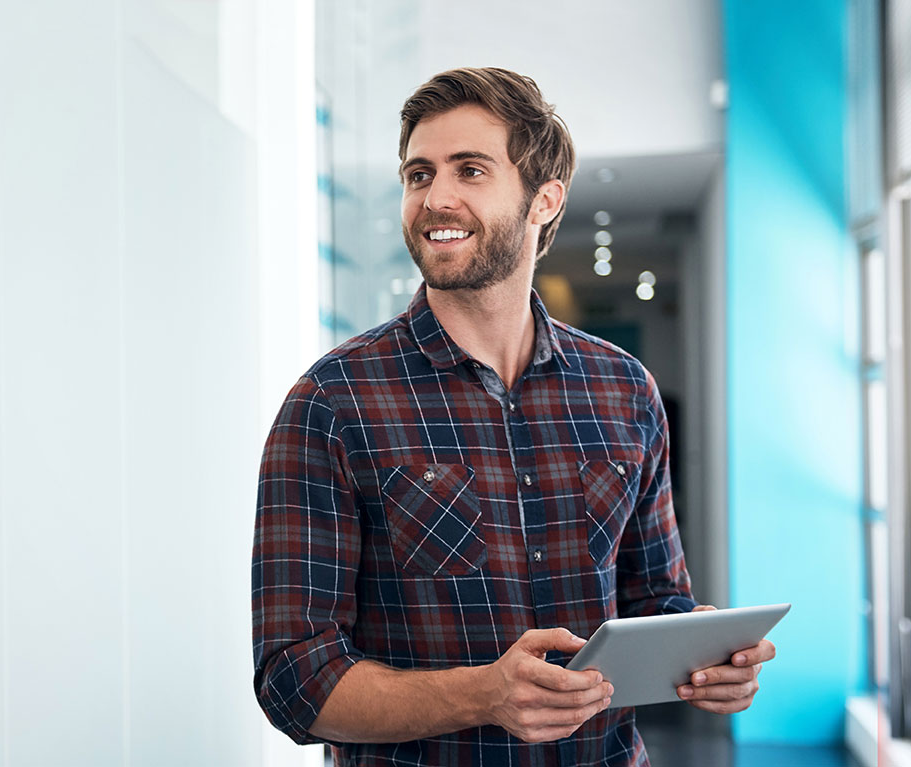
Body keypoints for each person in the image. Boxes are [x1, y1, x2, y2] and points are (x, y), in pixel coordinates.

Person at [251, 67, 775, 767]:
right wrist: (482, 694)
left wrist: (708, 654)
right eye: (417, 174)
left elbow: (656, 599)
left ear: (542, 200)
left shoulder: (624, 389)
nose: (436, 198)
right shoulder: (332, 402)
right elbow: (292, 680)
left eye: (470, 170)